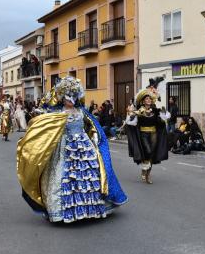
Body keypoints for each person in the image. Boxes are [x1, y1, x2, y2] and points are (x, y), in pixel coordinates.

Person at [17, 76, 127, 223]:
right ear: (63, 98)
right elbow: (46, 126)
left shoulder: (82, 112)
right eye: (68, 98)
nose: (71, 101)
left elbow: (93, 126)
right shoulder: (58, 114)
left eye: (73, 98)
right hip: (65, 147)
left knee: (89, 175)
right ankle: (63, 211)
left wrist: (95, 137)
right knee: (65, 177)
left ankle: (90, 209)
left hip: (83, 146)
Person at [125, 85, 170, 184]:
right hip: (143, 134)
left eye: (150, 98)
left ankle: (148, 175)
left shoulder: (155, 111)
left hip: (154, 134)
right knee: (148, 151)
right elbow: (131, 121)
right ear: (143, 101)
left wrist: (163, 113)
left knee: (152, 155)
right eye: (146, 98)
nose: (148, 100)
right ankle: (144, 169)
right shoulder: (140, 111)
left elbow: (164, 119)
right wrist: (130, 114)